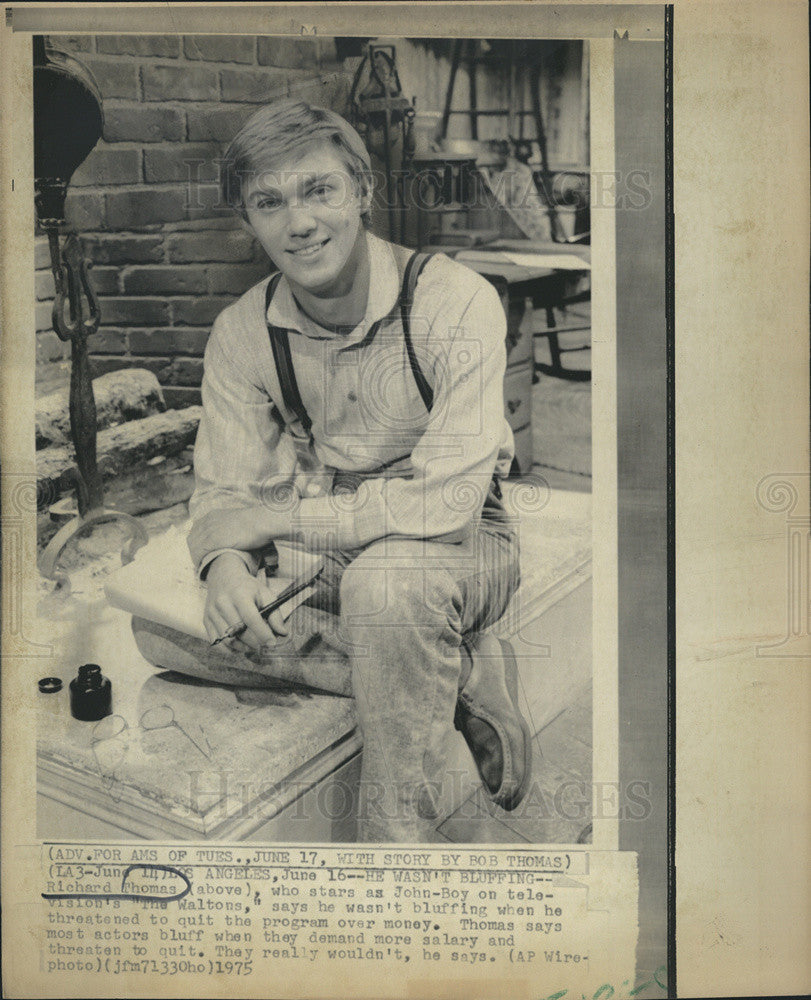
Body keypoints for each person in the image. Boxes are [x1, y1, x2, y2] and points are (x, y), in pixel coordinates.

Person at [182, 98, 532, 841]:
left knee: (387, 586)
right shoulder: (243, 330)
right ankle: (461, 674)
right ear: (248, 223)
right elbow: (221, 490)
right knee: (168, 628)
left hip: (461, 538)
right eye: (269, 203)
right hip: (336, 542)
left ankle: (393, 849)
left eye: (318, 191)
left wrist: (277, 520)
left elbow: (445, 502)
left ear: (363, 193)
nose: (298, 223)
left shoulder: (450, 299)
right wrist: (221, 563)